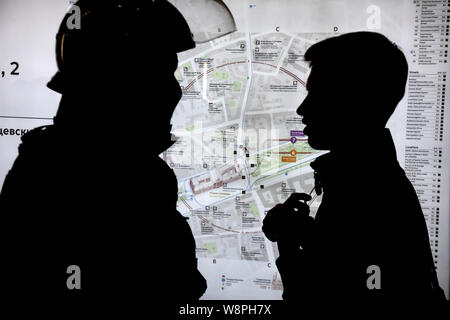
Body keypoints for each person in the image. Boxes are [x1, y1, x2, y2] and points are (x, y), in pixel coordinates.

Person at [0, 0, 208, 311]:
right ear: (115, 80)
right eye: (160, 71)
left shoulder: (111, 167)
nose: (174, 90)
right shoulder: (82, 178)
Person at [262, 32, 445, 308]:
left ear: (353, 101)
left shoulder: (367, 195)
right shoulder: (372, 183)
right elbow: (353, 263)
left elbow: (321, 298)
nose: (302, 108)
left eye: (317, 94)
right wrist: (303, 233)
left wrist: (289, 242)